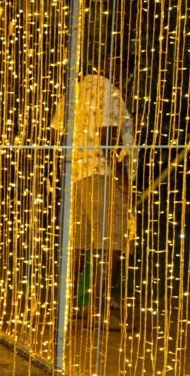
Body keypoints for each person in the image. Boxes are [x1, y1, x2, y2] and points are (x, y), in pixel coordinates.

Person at [51, 56, 136, 327]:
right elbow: (108, 136)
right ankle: (99, 311)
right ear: (116, 67)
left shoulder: (74, 90)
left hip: (76, 175)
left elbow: (56, 134)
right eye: (123, 70)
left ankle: (64, 305)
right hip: (102, 174)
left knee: (79, 246)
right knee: (109, 245)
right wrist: (122, 178)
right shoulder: (108, 89)